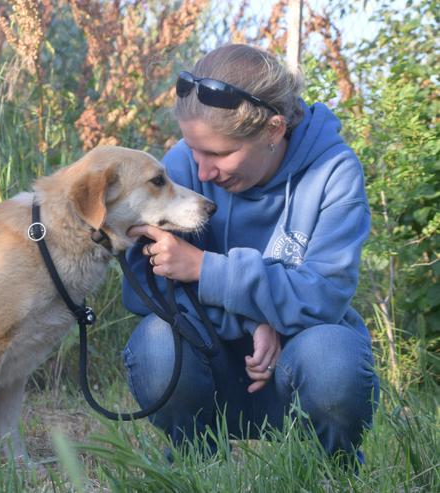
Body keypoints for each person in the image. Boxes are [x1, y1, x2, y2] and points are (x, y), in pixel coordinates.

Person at [122, 44, 379, 465]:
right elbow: (142, 288)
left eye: (220, 154)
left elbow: (324, 297)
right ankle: (194, 464)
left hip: (299, 367)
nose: (201, 172)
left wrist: (204, 268)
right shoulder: (183, 163)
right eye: (194, 151)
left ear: (274, 130)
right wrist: (254, 317)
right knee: (156, 340)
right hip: (210, 362)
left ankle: (335, 469)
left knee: (334, 358)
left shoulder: (334, 173)